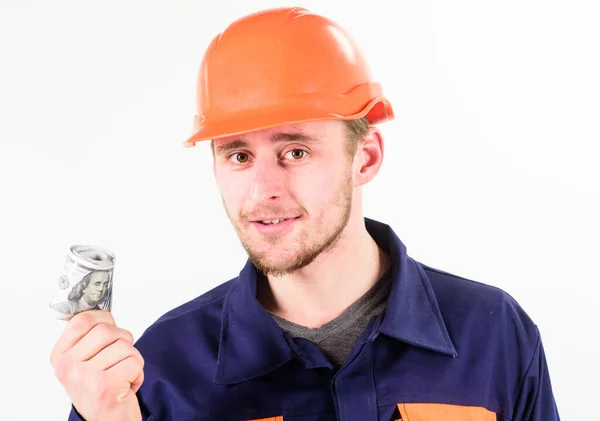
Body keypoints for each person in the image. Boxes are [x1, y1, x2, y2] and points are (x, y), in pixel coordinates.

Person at [50, 7, 560, 421]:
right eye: (239, 155)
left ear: (367, 157)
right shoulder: (158, 370)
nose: (264, 190)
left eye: (295, 151)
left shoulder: (492, 334)